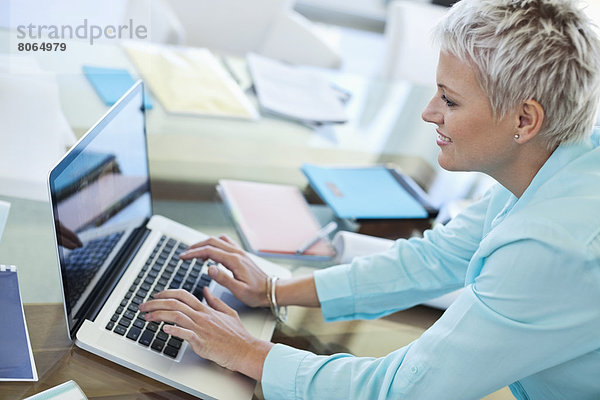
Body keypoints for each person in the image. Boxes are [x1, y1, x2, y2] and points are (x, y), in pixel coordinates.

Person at [139, 0, 600, 398]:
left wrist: (246, 351)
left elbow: (403, 390)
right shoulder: (559, 161)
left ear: (524, 119)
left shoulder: (553, 248)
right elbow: (434, 258)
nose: (428, 112)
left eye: (450, 101)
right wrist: (276, 289)